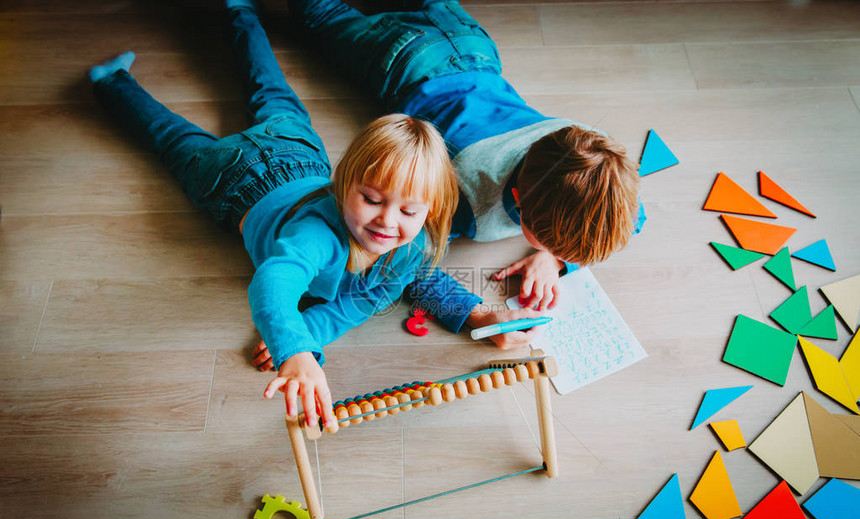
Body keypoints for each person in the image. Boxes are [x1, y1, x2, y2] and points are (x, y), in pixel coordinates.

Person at [88, 0, 459, 430]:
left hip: (299, 152)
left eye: (409, 210)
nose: (388, 222)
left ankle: (237, 11)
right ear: (343, 185)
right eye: (372, 200)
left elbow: (368, 299)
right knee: (174, 138)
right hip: (233, 179)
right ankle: (112, 81)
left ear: (430, 210)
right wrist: (294, 349)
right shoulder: (319, 234)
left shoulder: (414, 246)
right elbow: (274, 279)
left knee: (271, 89)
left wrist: (305, 333)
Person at [288, 0, 647, 348]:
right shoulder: (468, 194)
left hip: (474, 45)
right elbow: (402, 262)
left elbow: (636, 216)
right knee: (320, 17)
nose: (557, 252)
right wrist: (477, 317)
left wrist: (552, 259)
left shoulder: (588, 148)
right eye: (548, 242)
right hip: (404, 61)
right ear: (518, 204)